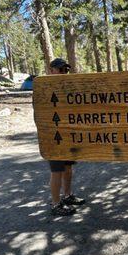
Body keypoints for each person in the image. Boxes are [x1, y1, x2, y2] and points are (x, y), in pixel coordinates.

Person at [48, 58, 85, 216]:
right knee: (57, 170)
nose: (64, 72)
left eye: (66, 70)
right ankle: (56, 204)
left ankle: (68, 196)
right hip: (53, 136)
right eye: (60, 69)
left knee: (68, 168)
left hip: (68, 134)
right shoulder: (45, 86)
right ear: (52, 70)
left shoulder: (68, 87)